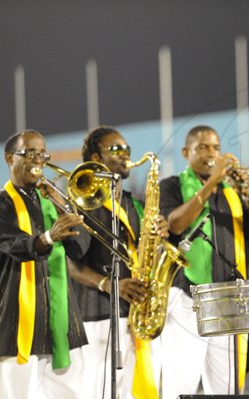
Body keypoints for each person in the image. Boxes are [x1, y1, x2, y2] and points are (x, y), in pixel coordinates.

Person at [159, 125, 249, 398]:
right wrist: (212, 182)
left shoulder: (231, 191)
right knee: (182, 384)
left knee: (228, 387)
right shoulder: (172, 185)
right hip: (187, 297)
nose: (211, 153)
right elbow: (175, 225)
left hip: (229, 298)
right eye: (203, 147)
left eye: (215, 147)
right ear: (187, 152)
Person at [0, 130, 90, 399]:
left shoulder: (51, 201)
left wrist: (61, 202)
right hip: (17, 325)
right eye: (29, 152)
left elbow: (79, 248)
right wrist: (48, 237)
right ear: (10, 157)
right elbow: (15, 246)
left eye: (42, 153)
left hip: (62, 327)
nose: (38, 159)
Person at [69, 126, 166, 399]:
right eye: (115, 149)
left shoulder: (133, 203)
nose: (124, 155)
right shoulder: (84, 203)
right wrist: (107, 284)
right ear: (96, 158)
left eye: (126, 149)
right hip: (96, 317)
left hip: (134, 314)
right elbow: (69, 263)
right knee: (96, 392)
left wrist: (158, 237)